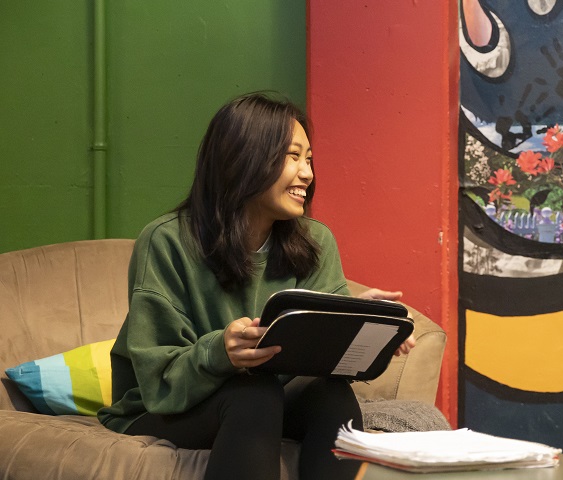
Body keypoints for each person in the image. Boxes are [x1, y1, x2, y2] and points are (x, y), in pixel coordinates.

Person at [98, 92, 414, 480]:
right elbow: (158, 379)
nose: (308, 173)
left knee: (333, 399)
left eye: (310, 159)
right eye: (293, 156)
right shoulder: (166, 242)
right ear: (243, 158)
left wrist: (362, 328)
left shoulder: (315, 242)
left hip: (271, 398)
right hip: (164, 407)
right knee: (254, 394)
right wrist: (221, 352)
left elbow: (320, 365)